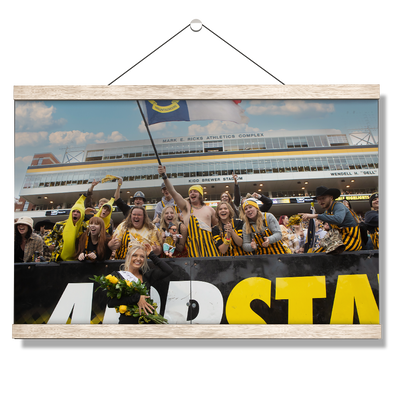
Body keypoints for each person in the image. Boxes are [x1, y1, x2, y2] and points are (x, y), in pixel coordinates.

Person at [158, 164, 219, 258]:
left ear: (200, 195)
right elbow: (173, 192)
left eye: (195, 191)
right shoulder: (186, 207)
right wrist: (164, 177)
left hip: (209, 247)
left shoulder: (210, 209)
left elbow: (216, 227)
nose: (192, 193)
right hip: (192, 249)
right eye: (190, 192)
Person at [107, 243, 173, 324]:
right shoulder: (117, 276)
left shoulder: (147, 275)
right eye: (135, 255)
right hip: (127, 323)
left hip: (147, 322)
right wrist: (137, 298)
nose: (138, 259)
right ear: (128, 257)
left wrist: (152, 255)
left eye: (142, 256)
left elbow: (168, 270)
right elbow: (110, 303)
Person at [300, 186, 362, 252]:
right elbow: (333, 231)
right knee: (316, 253)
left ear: (331, 197)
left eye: (323, 198)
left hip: (351, 240)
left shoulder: (339, 206)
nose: (321, 201)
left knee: (321, 255)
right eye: (318, 199)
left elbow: (338, 219)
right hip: (339, 241)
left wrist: (315, 215)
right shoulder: (327, 212)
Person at [44, 194, 88, 261]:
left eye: (78, 212)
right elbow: (48, 236)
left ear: (82, 214)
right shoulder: (60, 225)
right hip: (59, 259)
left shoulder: (85, 227)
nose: (75, 213)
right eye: (73, 211)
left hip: (77, 259)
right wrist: (50, 244)